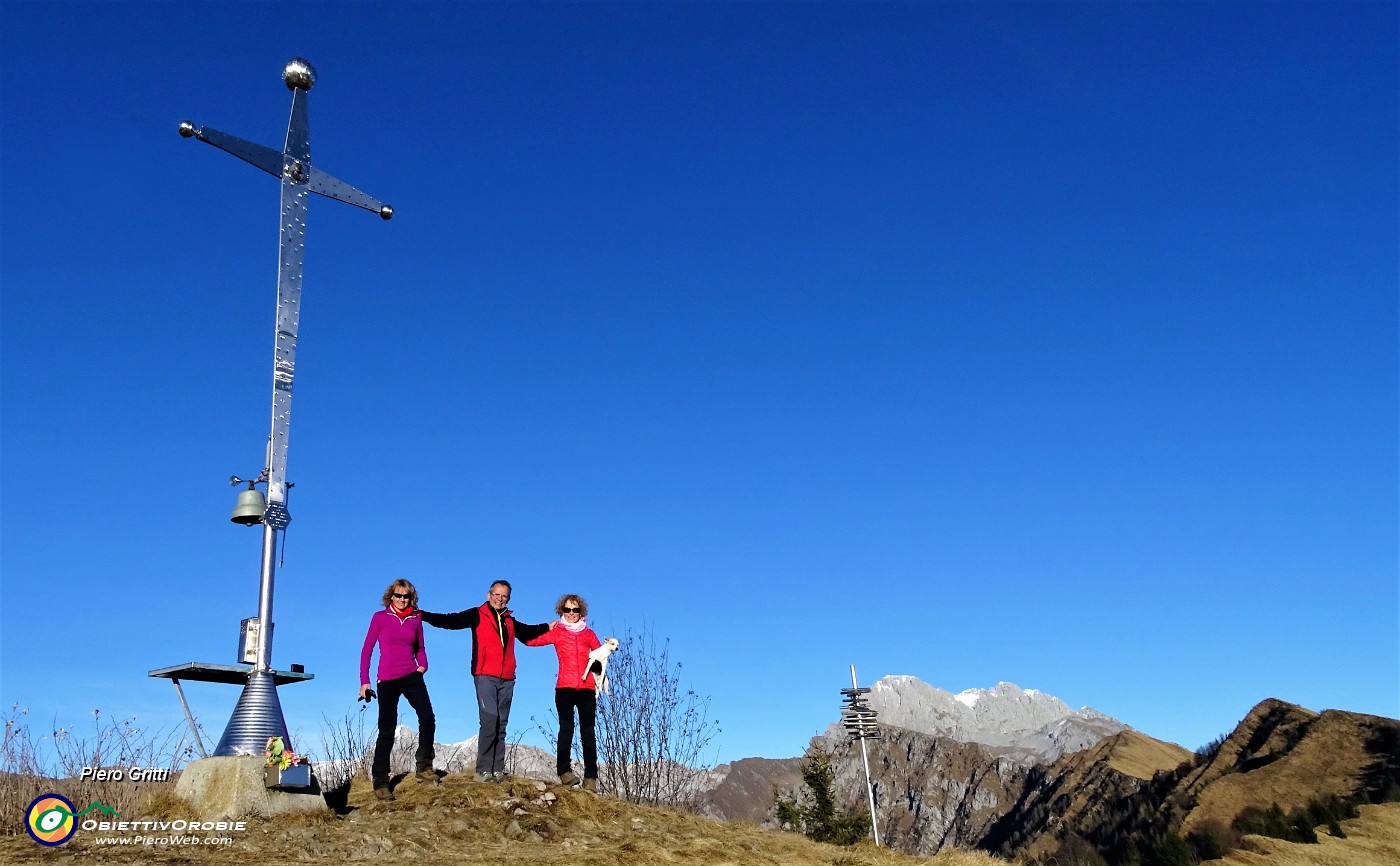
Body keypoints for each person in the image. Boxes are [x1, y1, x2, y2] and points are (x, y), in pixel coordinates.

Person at [420, 580, 551, 781]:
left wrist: (548, 627)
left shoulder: (510, 620)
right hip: (484, 676)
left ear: (509, 599)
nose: (499, 599)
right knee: (489, 720)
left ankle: (497, 769)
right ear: (489, 595)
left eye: (504, 596)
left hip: (507, 678)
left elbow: (527, 632)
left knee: (501, 723)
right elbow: (450, 620)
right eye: (496, 594)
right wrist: (423, 615)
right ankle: (483, 771)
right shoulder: (477, 614)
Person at [359, 579, 436, 801]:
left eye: (407, 597)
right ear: (390, 597)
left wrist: (423, 666)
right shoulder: (380, 618)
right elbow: (367, 650)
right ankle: (381, 781)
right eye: (398, 596)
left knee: (428, 718)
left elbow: (420, 647)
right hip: (387, 680)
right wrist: (364, 681)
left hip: (412, 675)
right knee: (386, 729)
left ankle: (424, 767)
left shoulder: (416, 618)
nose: (403, 600)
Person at [526, 593, 603, 791]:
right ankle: (564, 772)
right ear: (561, 611)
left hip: (587, 689)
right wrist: (541, 627)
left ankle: (591, 779)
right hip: (564, 687)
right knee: (566, 729)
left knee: (588, 732)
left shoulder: (589, 634)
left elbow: (601, 657)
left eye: (575, 610)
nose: (571, 613)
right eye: (567, 609)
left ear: (581, 612)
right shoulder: (557, 632)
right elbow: (531, 641)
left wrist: (597, 671)